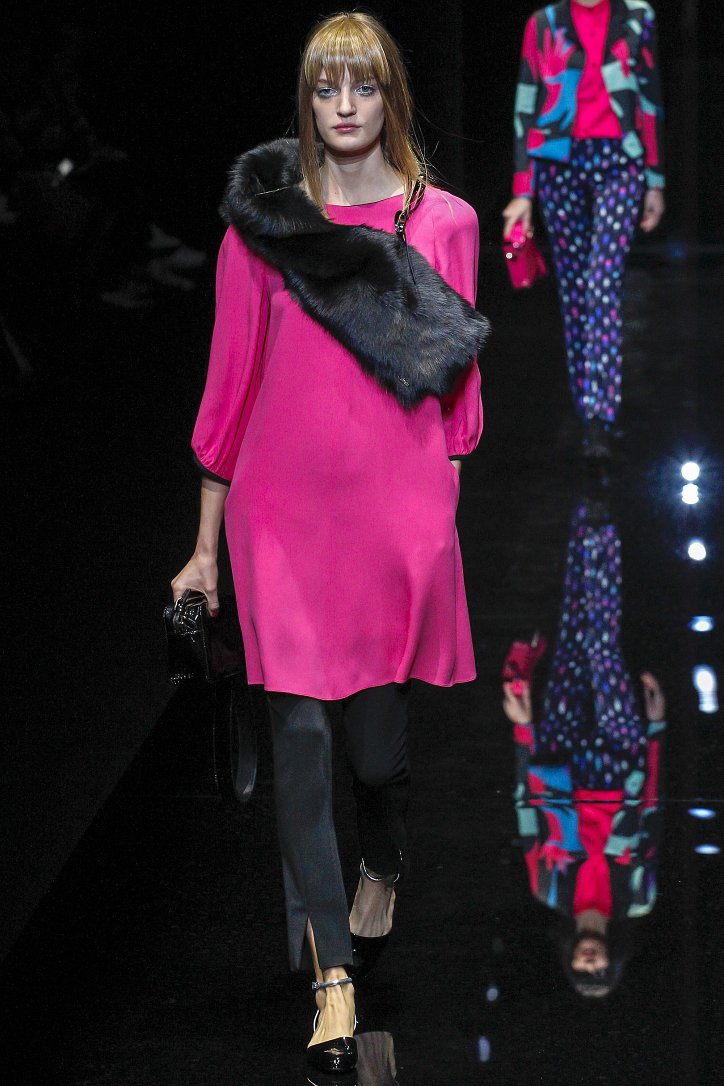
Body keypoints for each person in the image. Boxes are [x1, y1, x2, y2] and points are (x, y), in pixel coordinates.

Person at [170, 10, 488, 1074]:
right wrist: (204, 548)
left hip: (395, 516)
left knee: (376, 756)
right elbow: (229, 390)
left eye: (362, 86)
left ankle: (384, 860)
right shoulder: (263, 229)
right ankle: (332, 979)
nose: (344, 106)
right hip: (279, 516)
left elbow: (459, 395)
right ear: (306, 102)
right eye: (324, 88)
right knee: (300, 742)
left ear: (391, 95)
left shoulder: (444, 223)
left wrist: (440, 516)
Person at [502, 493, 666, 998]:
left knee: (574, 636)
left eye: (581, 971)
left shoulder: (548, 888)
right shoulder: (637, 898)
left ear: (570, 958)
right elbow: (650, 811)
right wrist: (656, 730)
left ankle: (583, 517)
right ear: (613, 961)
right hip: (621, 761)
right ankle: (604, 524)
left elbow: (526, 809)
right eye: (600, 972)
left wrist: (523, 731)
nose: (590, 963)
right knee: (602, 644)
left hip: (559, 754)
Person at [502, 0, 665, 461]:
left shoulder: (638, 16)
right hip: (560, 163)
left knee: (601, 284)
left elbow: (649, 96)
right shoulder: (545, 23)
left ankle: (600, 414)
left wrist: (654, 179)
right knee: (575, 288)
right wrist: (523, 190)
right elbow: (526, 104)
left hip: (620, 163)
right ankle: (587, 404)